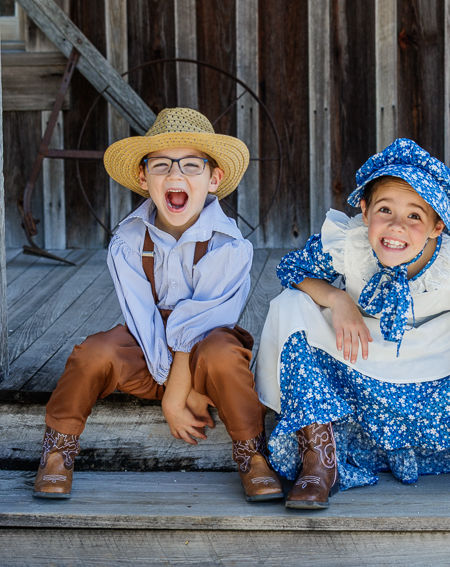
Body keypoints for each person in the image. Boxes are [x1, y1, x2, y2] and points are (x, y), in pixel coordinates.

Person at [255, 138, 450, 509]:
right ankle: (319, 460)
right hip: (362, 351)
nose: (396, 227)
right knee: (290, 304)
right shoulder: (348, 244)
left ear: (437, 225)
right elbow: (291, 269)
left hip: (438, 354)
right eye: (385, 210)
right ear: (364, 210)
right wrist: (337, 298)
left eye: (414, 216)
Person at [33, 108, 283, 502]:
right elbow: (142, 319)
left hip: (203, 357)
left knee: (222, 352)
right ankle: (58, 450)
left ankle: (252, 454)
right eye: (161, 165)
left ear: (214, 178)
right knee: (95, 352)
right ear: (142, 177)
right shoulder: (127, 241)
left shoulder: (229, 244)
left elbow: (199, 323)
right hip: (149, 355)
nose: (175, 175)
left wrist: (179, 393)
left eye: (191, 165)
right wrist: (170, 386)